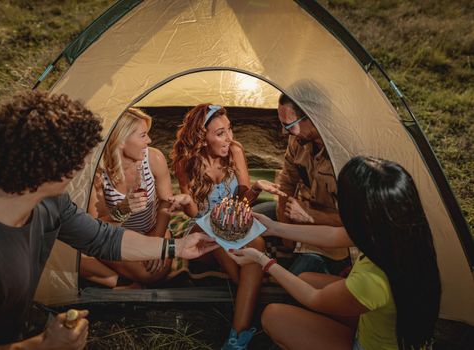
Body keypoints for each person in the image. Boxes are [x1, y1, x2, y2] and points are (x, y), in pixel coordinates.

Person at [0, 91, 218, 349]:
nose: (82, 168)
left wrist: (177, 247)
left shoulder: (48, 200)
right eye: (79, 161)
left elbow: (101, 237)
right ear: (51, 170)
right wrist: (41, 346)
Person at [229, 156, 442, 350]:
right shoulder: (399, 231)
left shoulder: (372, 279)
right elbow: (333, 236)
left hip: (366, 344)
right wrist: (275, 228)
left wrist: (262, 260)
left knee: (273, 316)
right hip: (382, 325)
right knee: (305, 278)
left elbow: (314, 298)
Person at [170, 103, 285, 350]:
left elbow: (243, 200)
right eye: (220, 133)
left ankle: (236, 337)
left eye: (229, 129)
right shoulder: (185, 162)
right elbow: (194, 214)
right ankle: (251, 295)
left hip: (232, 225)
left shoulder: (235, 151)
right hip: (201, 235)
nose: (229, 138)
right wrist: (186, 201)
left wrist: (255, 188)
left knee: (257, 243)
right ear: (202, 138)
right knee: (216, 236)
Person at [80, 108, 190, 288]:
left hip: (152, 231)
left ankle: (120, 281)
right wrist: (122, 210)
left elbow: (166, 202)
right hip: (117, 239)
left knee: (153, 272)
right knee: (72, 254)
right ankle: (122, 284)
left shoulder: (154, 158)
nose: (149, 140)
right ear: (121, 140)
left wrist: (157, 241)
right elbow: (94, 229)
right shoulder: (99, 174)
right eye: (143, 135)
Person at [256, 93, 350, 276]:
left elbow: (356, 222)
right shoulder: (298, 139)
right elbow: (287, 182)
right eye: (282, 124)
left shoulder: (345, 156)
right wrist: (284, 224)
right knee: (247, 222)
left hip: (334, 241)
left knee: (296, 279)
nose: (284, 132)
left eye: (289, 126)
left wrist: (311, 216)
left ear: (314, 117)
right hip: (299, 213)